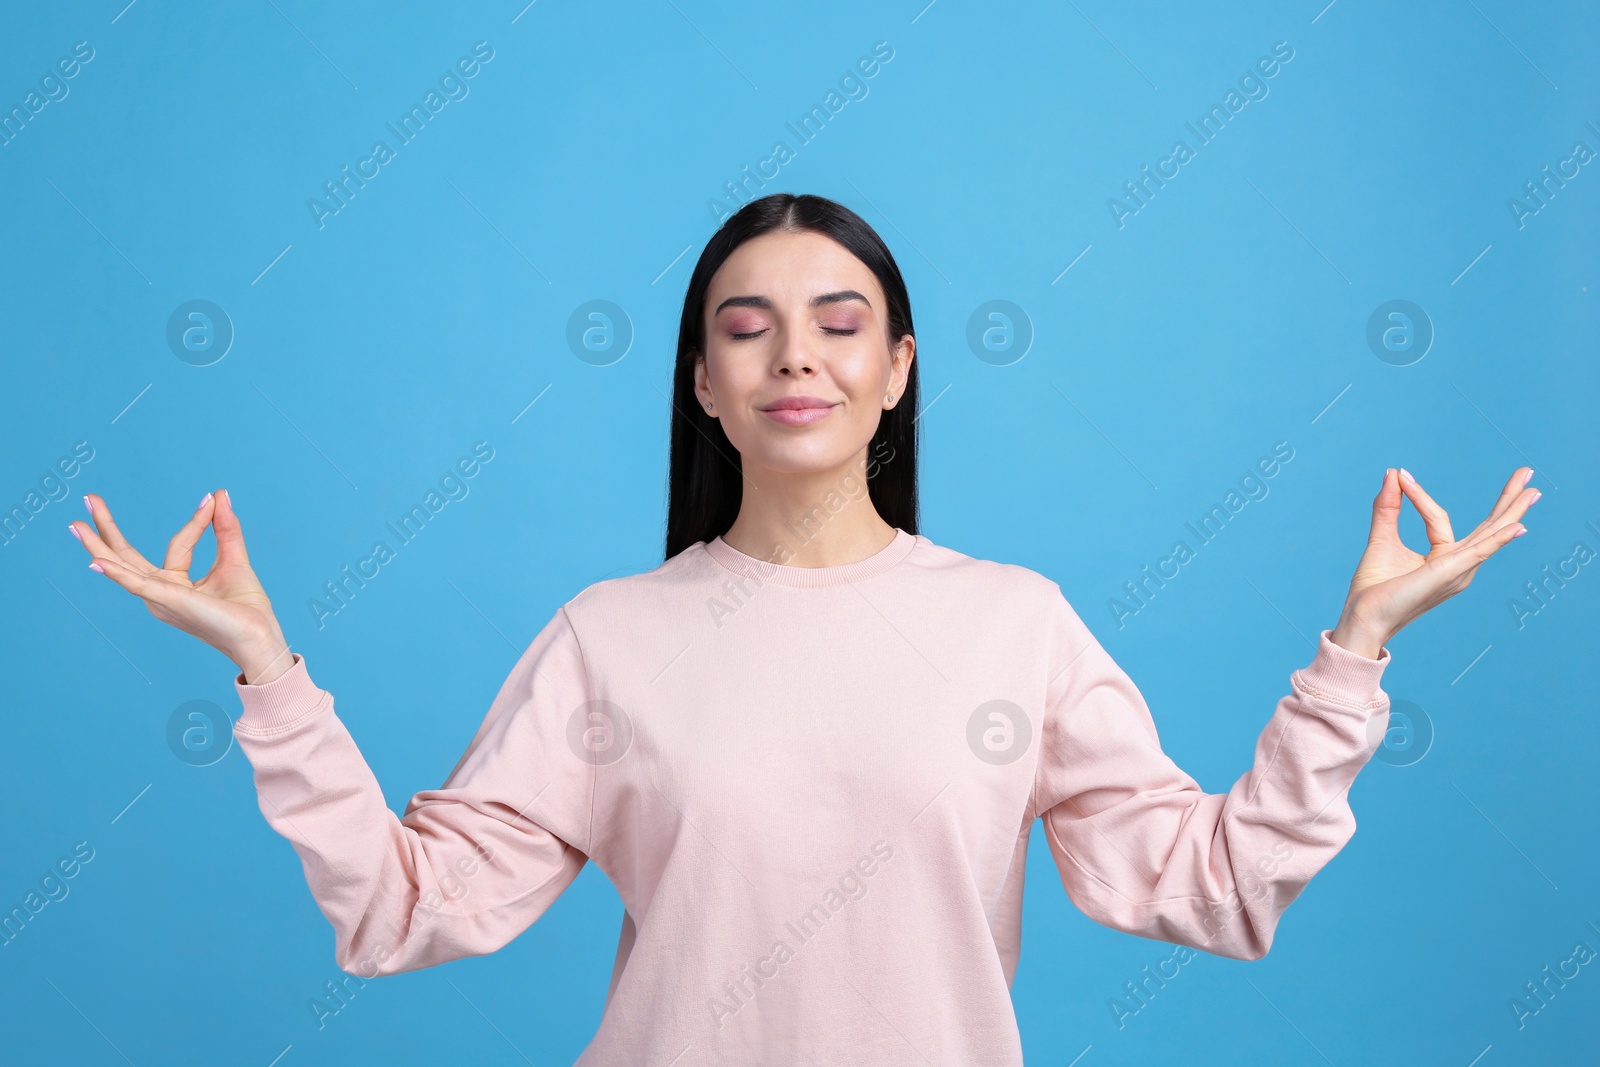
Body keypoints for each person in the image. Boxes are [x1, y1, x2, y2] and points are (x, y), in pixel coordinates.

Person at [67, 193, 1538, 1064]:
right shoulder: (611, 638)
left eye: (840, 323)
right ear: (703, 381)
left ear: (897, 371)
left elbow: (1212, 891)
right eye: (745, 324)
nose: (795, 357)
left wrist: (1355, 657)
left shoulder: (1014, 627)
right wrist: (271, 673)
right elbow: (407, 911)